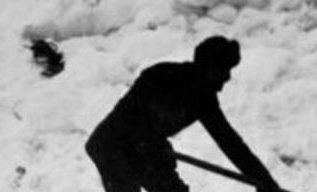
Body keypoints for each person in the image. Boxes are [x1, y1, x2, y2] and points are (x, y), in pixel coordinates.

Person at [85, 35, 281, 192]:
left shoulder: (204, 99)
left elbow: (230, 142)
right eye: (222, 73)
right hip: (110, 146)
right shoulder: (160, 77)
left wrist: (264, 181)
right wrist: (155, 148)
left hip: (146, 148)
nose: (225, 81)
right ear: (206, 67)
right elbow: (131, 120)